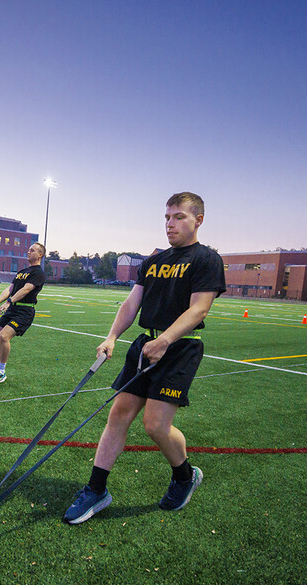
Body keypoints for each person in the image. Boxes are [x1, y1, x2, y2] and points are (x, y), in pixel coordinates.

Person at [62, 192, 226, 525]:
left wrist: (166, 339)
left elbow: (199, 308)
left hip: (180, 348)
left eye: (179, 217)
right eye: (167, 217)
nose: (170, 224)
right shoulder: (152, 261)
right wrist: (111, 337)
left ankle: (184, 476)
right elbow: (131, 304)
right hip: (145, 344)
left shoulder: (206, 259)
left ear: (199, 220)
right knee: (118, 414)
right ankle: (96, 490)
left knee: (155, 425)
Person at [0, 242, 47, 384]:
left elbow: (26, 290)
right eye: (29, 249)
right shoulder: (22, 272)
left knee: (4, 337)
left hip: (24, 311)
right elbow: (10, 288)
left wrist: (9, 303)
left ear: (40, 254)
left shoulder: (38, 273)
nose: (28, 251)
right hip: (12, 308)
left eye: (32, 250)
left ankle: (2, 372)